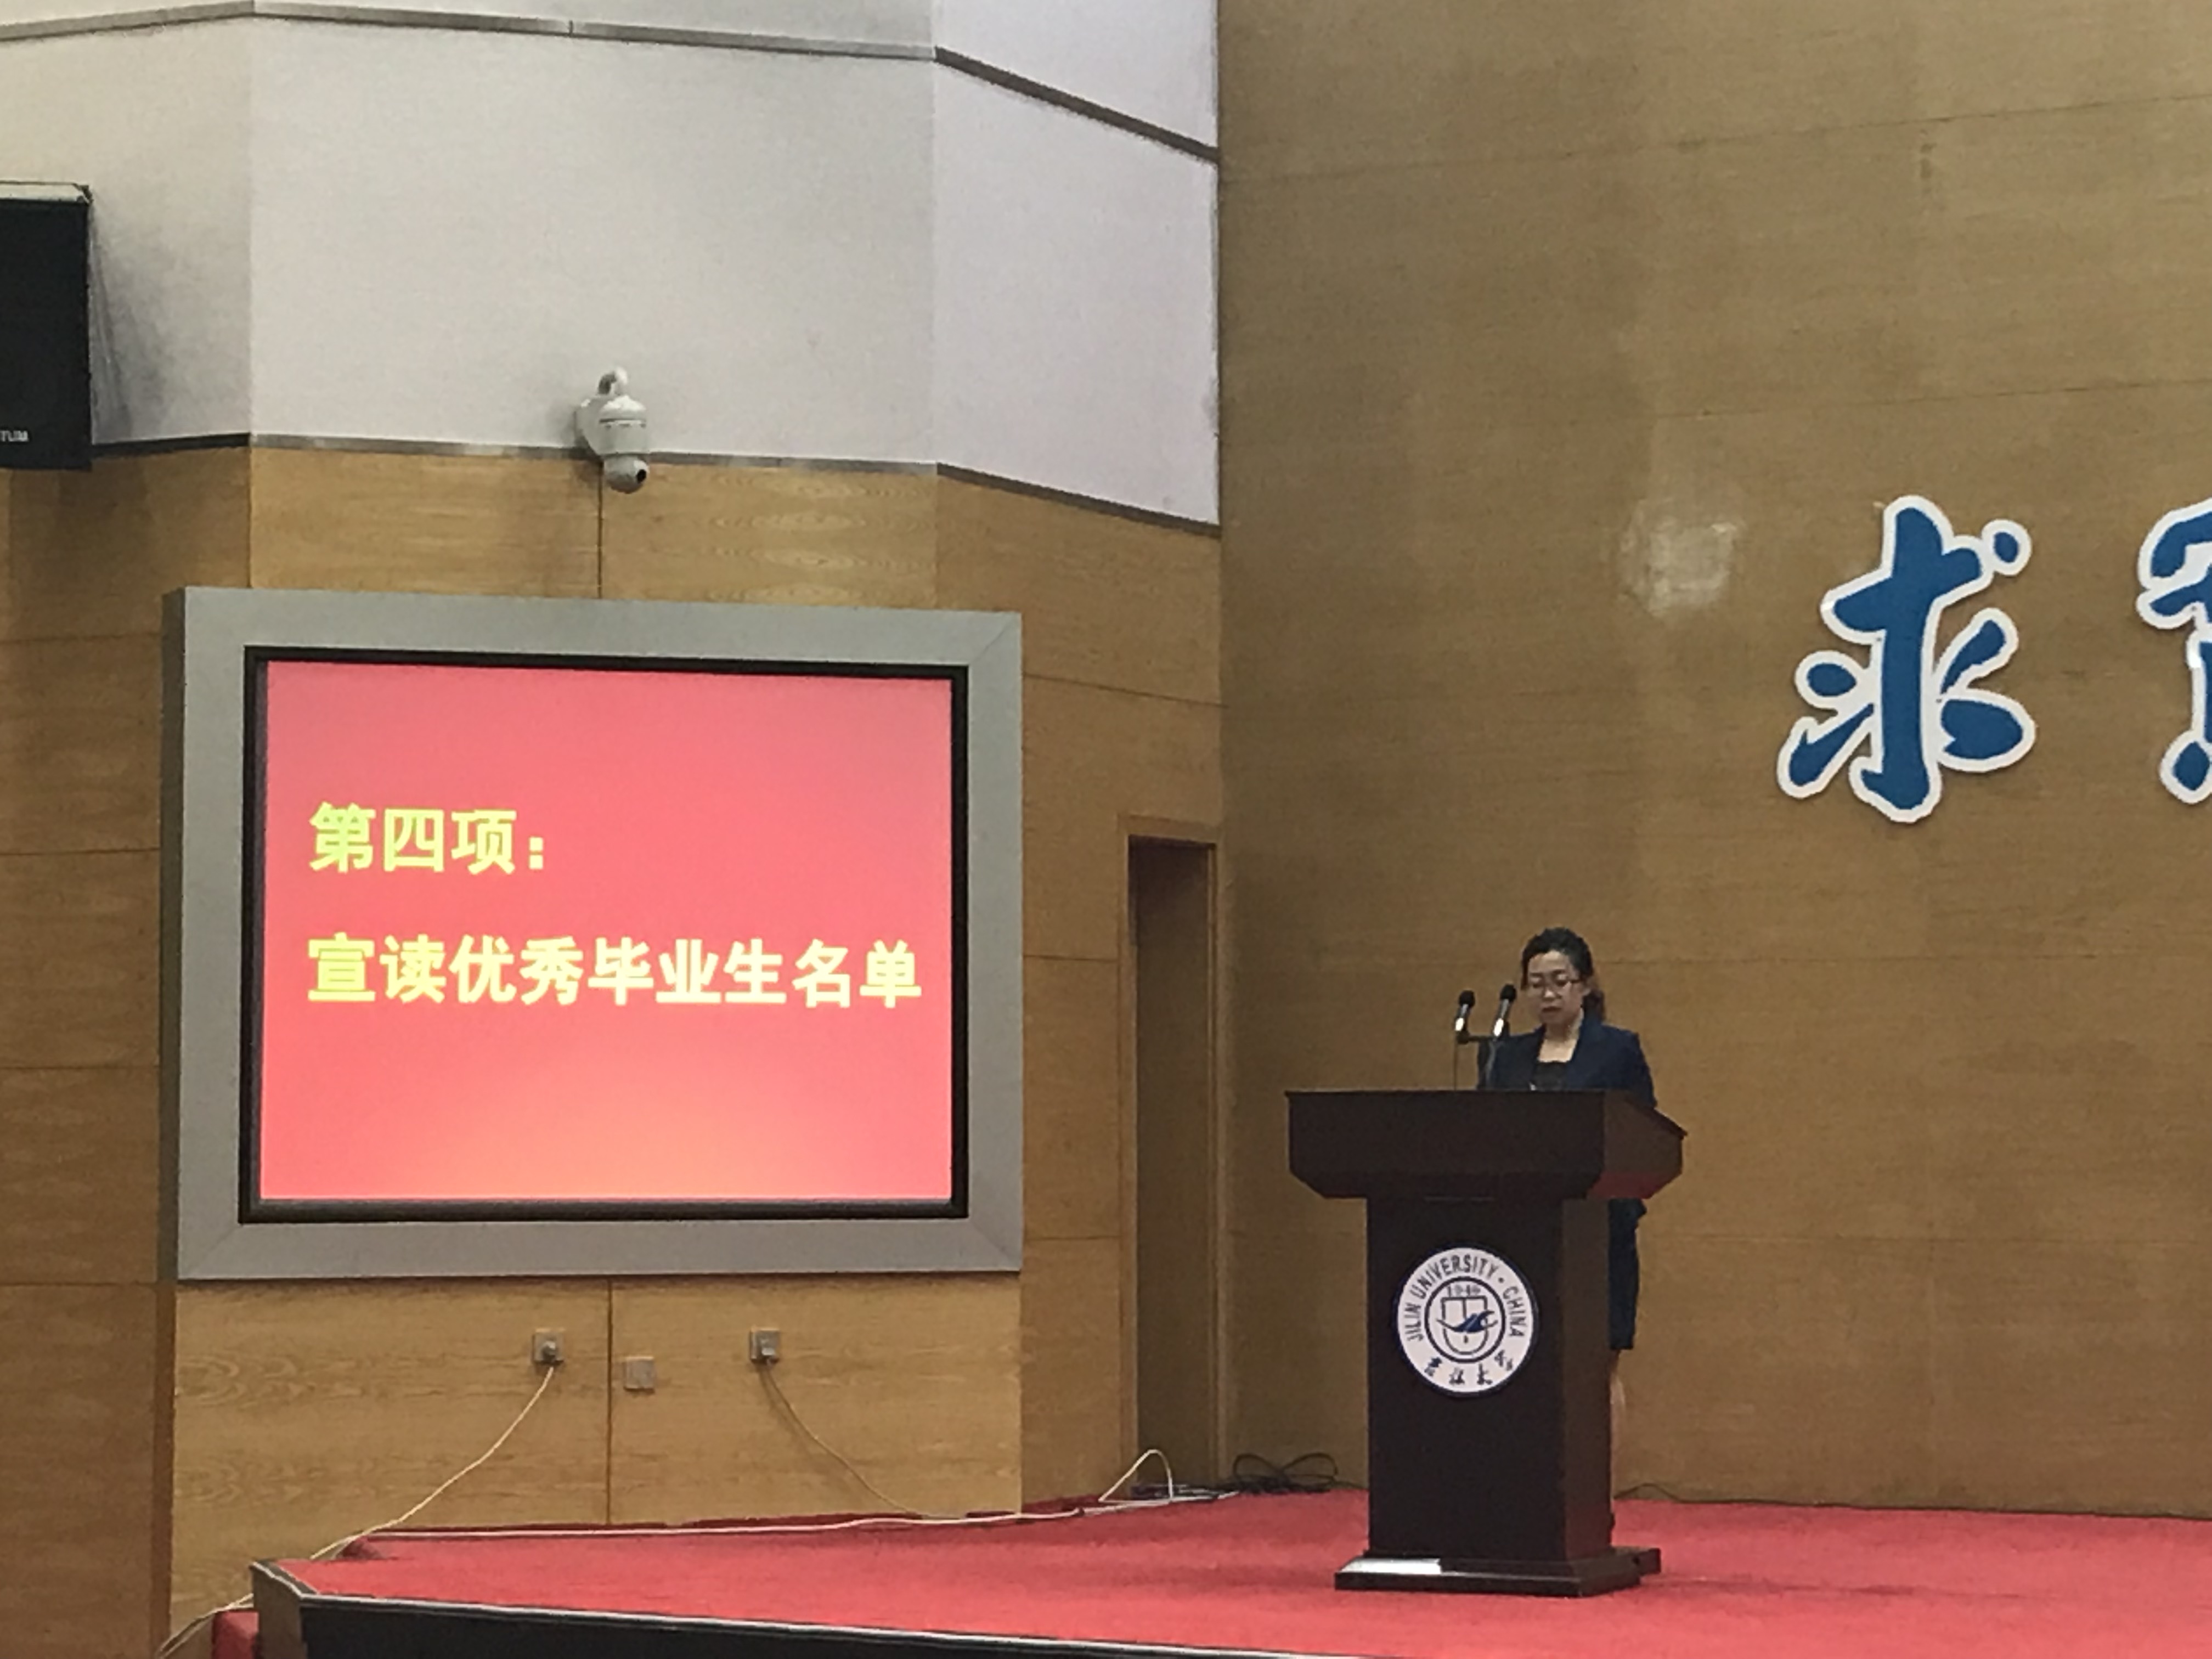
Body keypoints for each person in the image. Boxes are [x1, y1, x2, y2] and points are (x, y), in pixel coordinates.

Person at [1483, 926, 1655, 1489]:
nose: (1548, 994)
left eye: (1560, 981)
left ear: (1585, 986)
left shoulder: (1618, 1050)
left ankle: (1596, 1493)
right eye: (1536, 984)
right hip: (1524, 1233)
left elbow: (1643, 1136)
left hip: (1599, 1231)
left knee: (1597, 1364)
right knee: (1527, 1365)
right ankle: (1529, 1488)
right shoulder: (1505, 1058)